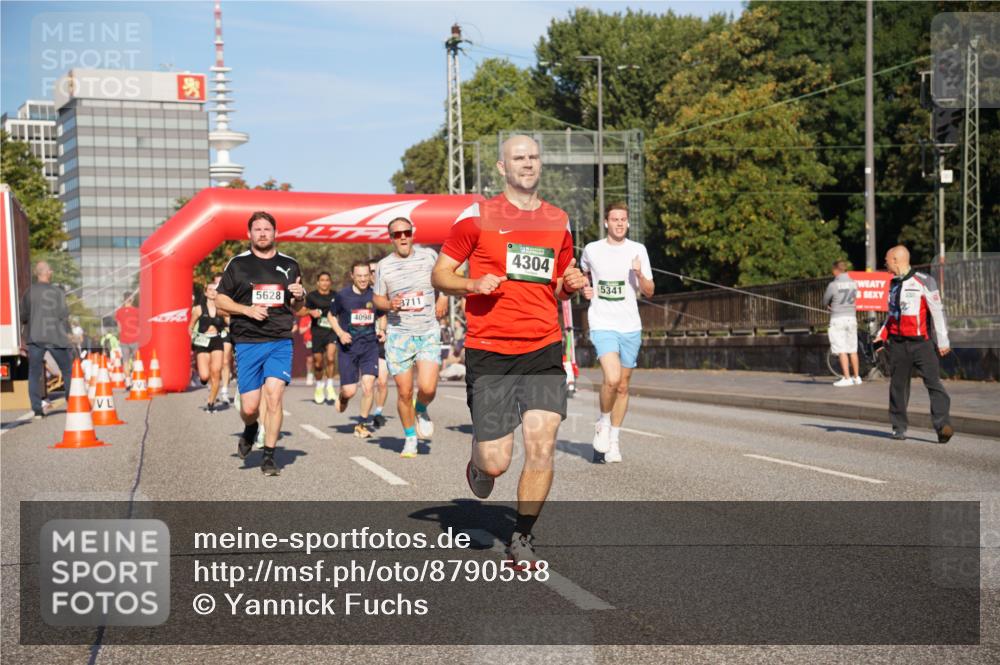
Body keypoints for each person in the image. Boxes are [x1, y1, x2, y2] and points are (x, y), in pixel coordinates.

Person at [432, 134, 589, 568]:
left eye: (534, 157)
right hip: (491, 350)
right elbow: (440, 274)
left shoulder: (558, 220)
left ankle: (521, 536)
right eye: (518, 158)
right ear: (502, 168)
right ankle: (479, 464)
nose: (527, 164)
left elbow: (558, 284)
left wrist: (569, 285)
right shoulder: (477, 216)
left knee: (542, 444)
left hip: (542, 345)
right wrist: (469, 284)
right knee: (496, 463)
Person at [215, 211, 305, 476]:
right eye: (258, 230)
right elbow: (221, 301)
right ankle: (251, 427)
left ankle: (269, 456)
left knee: (274, 397)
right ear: (249, 234)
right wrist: (247, 310)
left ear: (275, 233)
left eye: (267, 229)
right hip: (247, 340)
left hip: (279, 339)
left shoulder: (290, 264)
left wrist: (300, 296)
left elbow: (299, 308)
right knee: (250, 407)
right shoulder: (238, 264)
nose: (263, 234)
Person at [580, 202, 654, 463]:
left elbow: (649, 291)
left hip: (630, 325)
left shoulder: (638, 250)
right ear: (606, 223)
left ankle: (613, 440)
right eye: (615, 219)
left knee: (623, 386)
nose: (620, 223)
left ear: (628, 223)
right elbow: (584, 275)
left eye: (623, 219)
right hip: (602, 322)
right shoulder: (592, 250)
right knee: (611, 378)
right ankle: (602, 421)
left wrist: (638, 274)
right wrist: (585, 289)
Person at [373, 218, 449, 458]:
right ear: (391, 238)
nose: (403, 237)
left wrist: (444, 297)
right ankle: (410, 438)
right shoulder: (384, 266)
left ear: (413, 234)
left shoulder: (428, 256)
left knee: (427, 387)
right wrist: (389, 304)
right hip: (399, 335)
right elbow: (377, 299)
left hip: (427, 330)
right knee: (404, 391)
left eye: (406, 232)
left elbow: (445, 277)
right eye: (397, 234)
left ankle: (422, 408)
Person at [877, 245, 953, 443]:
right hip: (898, 344)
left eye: (886, 259)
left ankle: (942, 426)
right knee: (898, 387)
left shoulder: (925, 281)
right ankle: (898, 427)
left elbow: (937, 311)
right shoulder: (893, 284)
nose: (884, 263)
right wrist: (880, 335)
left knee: (934, 384)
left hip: (922, 344)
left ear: (895, 260)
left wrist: (943, 340)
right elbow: (891, 316)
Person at [330, 261, 385, 438]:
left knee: (368, 386)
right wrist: (340, 333)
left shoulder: (375, 295)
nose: (362, 279)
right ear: (352, 276)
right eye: (359, 276)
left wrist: (382, 330)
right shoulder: (342, 296)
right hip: (348, 348)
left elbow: (382, 315)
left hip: (370, 347)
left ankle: (361, 424)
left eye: (365, 275)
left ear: (370, 275)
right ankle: (343, 397)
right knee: (350, 390)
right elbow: (331, 315)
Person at [20, 261, 74, 419]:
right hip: (55, 337)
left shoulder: (29, 292)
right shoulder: (57, 292)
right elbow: (64, 315)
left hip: (35, 337)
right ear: (47, 273)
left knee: (34, 373)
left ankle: (37, 409)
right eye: (50, 270)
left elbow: (23, 316)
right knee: (67, 370)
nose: (51, 272)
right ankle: (71, 402)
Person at [189, 276, 227, 413]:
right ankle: (205, 381)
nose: (212, 292)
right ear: (205, 293)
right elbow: (191, 326)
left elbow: (229, 323)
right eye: (210, 290)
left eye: (215, 290)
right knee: (205, 376)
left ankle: (211, 401)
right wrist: (192, 337)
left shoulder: (222, 308)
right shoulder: (199, 309)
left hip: (217, 340)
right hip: (202, 341)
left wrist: (228, 329)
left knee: (216, 372)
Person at [823, 260, 861, 387]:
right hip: (851, 317)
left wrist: (829, 306)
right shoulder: (854, 283)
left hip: (838, 319)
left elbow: (825, 301)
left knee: (841, 349)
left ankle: (846, 378)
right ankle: (857, 377)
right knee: (853, 349)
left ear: (836, 270)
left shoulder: (833, 285)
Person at [305, 271, 338, 404]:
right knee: (318, 363)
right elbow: (301, 311)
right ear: (318, 282)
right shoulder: (312, 296)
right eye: (322, 280)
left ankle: (330, 385)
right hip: (317, 332)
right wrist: (310, 312)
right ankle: (319, 386)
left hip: (332, 331)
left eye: (327, 280)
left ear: (330, 282)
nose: (325, 282)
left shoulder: (336, 296)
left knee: (330, 358)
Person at [369, 260, 390, 428]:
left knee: (382, 381)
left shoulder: (390, 291)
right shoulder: (360, 294)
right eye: (372, 271)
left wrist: (384, 330)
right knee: (368, 382)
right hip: (365, 342)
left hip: (385, 341)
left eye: (378, 271)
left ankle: (378, 412)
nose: (374, 275)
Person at [114, 292, 140, 373]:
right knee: (137, 360)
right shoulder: (137, 311)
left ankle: (128, 381)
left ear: (124, 299)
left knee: (125, 361)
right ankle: (137, 379)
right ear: (132, 299)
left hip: (123, 339)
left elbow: (119, 328)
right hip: (136, 339)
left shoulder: (118, 312)